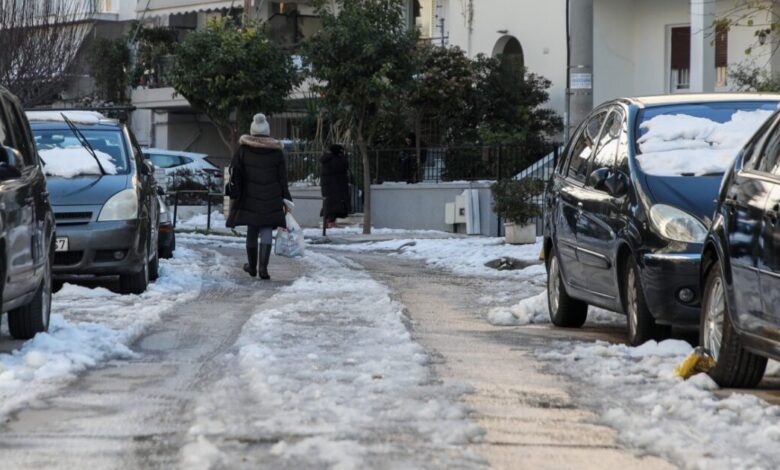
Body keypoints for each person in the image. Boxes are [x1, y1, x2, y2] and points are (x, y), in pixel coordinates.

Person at [227, 113, 292, 280]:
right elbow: (282, 177)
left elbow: (235, 172)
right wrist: (286, 198)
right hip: (271, 197)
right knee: (266, 228)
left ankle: (252, 267)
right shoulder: (276, 152)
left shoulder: (243, 150)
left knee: (252, 229)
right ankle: (263, 268)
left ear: (252, 130)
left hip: (249, 197)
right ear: (267, 131)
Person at [320, 144, 351, 228]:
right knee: (334, 205)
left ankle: (328, 221)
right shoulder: (336, 160)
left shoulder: (326, 160)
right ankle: (331, 222)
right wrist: (344, 156)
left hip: (328, 186)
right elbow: (344, 166)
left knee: (329, 204)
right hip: (336, 185)